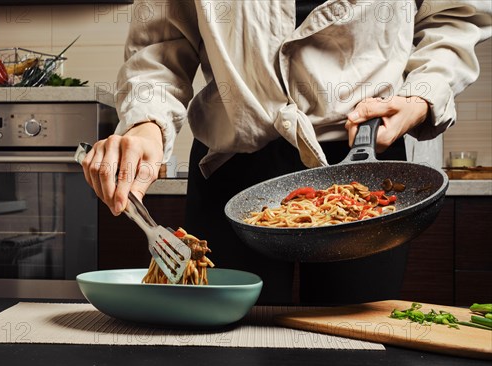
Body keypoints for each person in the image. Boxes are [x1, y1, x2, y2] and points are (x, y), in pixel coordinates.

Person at [82, 1, 491, 305]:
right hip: (232, 170)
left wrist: (421, 96)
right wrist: (147, 123)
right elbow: (160, 43)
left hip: (363, 174)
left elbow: (455, 17)